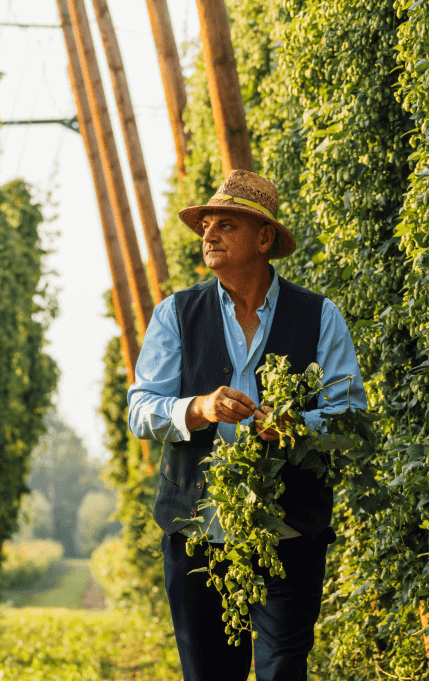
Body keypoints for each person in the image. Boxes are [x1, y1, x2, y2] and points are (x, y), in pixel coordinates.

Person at [127, 170, 367, 681]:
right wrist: (199, 409)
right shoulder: (176, 314)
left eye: (226, 224)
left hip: (290, 531)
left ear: (264, 239)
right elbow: (141, 409)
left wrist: (295, 428)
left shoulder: (320, 316)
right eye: (207, 224)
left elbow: (350, 418)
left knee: (283, 670)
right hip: (197, 532)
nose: (209, 234)